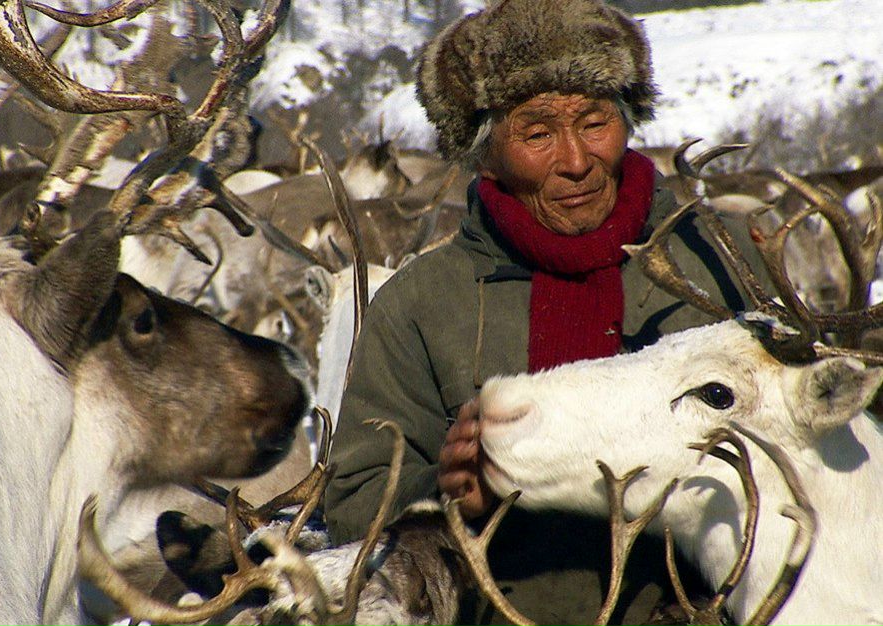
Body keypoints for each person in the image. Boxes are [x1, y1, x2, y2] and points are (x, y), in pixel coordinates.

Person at [324, 0, 759, 623]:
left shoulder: (722, 262)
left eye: (595, 122)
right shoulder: (423, 304)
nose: (576, 160)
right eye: (536, 133)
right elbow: (355, 507)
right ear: (484, 151)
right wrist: (445, 498)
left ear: (629, 120)